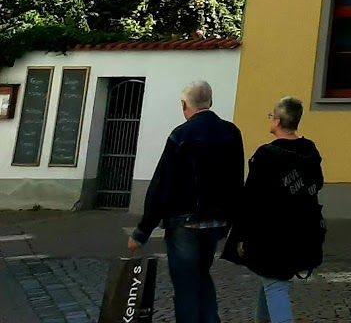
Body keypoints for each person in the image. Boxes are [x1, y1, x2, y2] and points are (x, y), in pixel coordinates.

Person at [128, 80, 245, 323]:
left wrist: (142, 230)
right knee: (202, 274)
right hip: (216, 221)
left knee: (185, 285)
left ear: (185, 105)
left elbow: (162, 184)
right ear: (210, 102)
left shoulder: (181, 135)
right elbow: (236, 178)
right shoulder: (231, 132)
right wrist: (233, 219)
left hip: (184, 221)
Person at [224, 97, 324, 323]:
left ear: (278, 121)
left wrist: (241, 237)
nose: (270, 120)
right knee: (269, 282)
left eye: (271, 116)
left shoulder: (266, 155)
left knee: (275, 286)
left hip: (271, 236)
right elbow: (316, 184)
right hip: (302, 232)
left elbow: (251, 200)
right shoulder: (310, 151)